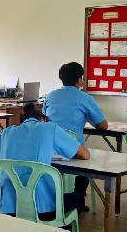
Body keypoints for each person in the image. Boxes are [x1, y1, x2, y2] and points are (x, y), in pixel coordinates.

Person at [0, 103, 90, 220]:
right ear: (43, 119)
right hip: (44, 210)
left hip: (10, 210)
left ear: (22, 119)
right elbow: (85, 154)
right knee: (78, 198)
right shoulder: (50, 128)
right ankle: (61, 230)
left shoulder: (7, 133)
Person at [43, 61, 107, 211]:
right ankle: (79, 198)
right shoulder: (84, 98)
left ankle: (61, 196)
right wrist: (88, 118)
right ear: (79, 80)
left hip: (50, 149)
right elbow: (103, 126)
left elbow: (45, 119)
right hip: (74, 151)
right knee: (87, 163)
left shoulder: (50, 96)